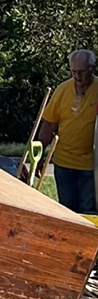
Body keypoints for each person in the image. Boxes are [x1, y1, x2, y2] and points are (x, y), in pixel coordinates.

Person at [37, 49, 98, 214]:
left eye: (81, 72)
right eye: (73, 72)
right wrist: (40, 154)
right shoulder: (63, 89)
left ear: (92, 69)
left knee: (89, 213)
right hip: (64, 164)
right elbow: (49, 124)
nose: (77, 77)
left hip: (91, 166)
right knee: (67, 212)